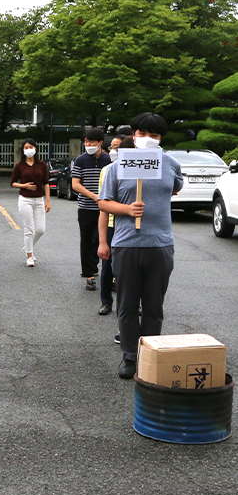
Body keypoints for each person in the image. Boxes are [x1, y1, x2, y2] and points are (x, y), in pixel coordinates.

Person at [98, 113, 183, 379]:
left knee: (154, 305)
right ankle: (129, 357)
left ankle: (150, 353)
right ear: (133, 136)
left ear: (161, 139)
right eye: (143, 134)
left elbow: (174, 189)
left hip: (160, 244)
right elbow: (103, 203)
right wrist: (127, 208)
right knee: (127, 304)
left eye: (154, 135)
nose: (148, 139)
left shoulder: (170, 164)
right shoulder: (116, 167)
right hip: (127, 244)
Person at [96, 137, 134, 317]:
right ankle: (106, 301)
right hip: (113, 223)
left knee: (133, 269)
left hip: (135, 226)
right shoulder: (108, 170)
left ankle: (133, 303)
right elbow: (103, 205)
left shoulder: (147, 171)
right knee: (108, 265)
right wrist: (102, 241)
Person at [72, 128, 111, 291]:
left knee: (101, 239)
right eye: (85, 142)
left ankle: (100, 269)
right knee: (87, 240)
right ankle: (88, 274)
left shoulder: (108, 160)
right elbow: (75, 184)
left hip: (106, 208)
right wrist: (94, 196)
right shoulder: (80, 160)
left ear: (100, 143)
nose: (87, 145)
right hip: (86, 207)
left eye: (90, 142)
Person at [10, 138, 50, 266]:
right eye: (26, 148)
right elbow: (13, 183)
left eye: (31, 147)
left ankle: (27, 247)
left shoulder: (42, 165)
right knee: (29, 229)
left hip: (39, 200)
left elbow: (46, 183)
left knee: (40, 229)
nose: (29, 150)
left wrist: (47, 200)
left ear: (36, 148)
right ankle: (29, 256)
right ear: (23, 150)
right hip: (25, 200)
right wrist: (24, 186)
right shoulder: (19, 166)